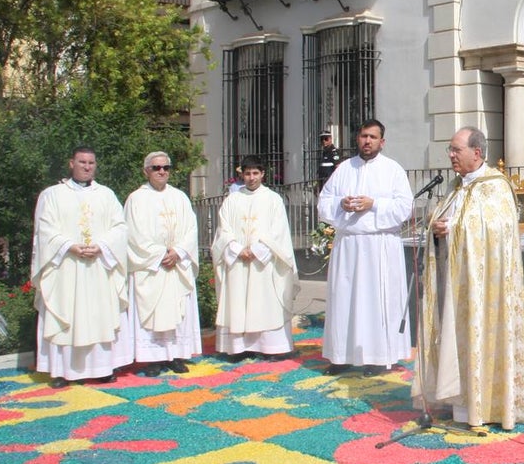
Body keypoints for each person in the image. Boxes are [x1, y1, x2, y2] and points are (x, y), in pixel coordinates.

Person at [412, 126, 524, 430]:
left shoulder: (495, 185)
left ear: (476, 153)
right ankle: (456, 401)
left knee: (478, 338)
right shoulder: (457, 187)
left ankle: (486, 406)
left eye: (457, 150)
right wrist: (437, 229)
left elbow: (498, 230)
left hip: (484, 291)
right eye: (450, 150)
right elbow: (447, 223)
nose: (451, 155)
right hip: (454, 284)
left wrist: (452, 227)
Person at [318, 120, 413, 377]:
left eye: (372, 137)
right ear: (357, 138)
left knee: (376, 302)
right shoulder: (344, 169)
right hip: (348, 245)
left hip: (379, 245)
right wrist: (342, 203)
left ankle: (378, 357)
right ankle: (341, 355)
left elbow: (405, 208)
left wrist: (374, 204)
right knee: (344, 300)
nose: (367, 141)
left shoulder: (393, 170)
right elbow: (323, 201)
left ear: (382, 142)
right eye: (363, 136)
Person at [32, 146, 131, 388]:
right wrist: (69, 246)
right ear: (71, 163)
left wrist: (102, 246)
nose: (87, 166)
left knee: (98, 314)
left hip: (98, 266)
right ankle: (61, 371)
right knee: (66, 314)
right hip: (66, 266)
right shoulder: (53, 195)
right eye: (82, 162)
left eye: (91, 163)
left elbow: (120, 228)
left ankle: (102, 367)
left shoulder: (106, 195)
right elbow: (44, 229)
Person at [211, 154, 300, 360]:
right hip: (238, 261)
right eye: (247, 173)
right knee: (239, 300)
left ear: (263, 174)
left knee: (265, 302)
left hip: (264, 262)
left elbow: (278, 231)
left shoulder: (273, 199)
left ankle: (271, 347)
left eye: (255, 173)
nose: (251, 178)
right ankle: (238, 348)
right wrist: (236, 249)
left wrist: (258, 250)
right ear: (241, 174)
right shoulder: (232, 199)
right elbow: (223, 229)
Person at [124, 152, 200, 377]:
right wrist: (159, 254)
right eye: (156, 168)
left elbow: (191, 230)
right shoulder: (136, 199)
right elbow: (132, 234)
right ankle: (152, 359)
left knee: (178, 309)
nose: (162, 171)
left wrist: (178, 252)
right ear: (146, 170)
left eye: (166, 167)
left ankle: (175, 355)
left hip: (176, 265)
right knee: (152, 311)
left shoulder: (180, 197)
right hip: (152, 267)